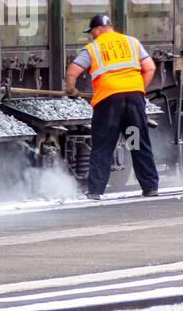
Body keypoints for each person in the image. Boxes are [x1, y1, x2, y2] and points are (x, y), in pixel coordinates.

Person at [65, 14, 160, 200]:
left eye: (92, 31)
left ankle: (95, 191)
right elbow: (150, 68)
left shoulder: (93, 48)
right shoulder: (132, 42)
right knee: (137, 143)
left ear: (98, 29)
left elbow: (72, 72)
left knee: (103, 145)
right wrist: (138, 88)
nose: (92, 35)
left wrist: (71, 90)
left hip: (108, 102)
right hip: (134, 100)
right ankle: (150, 188)